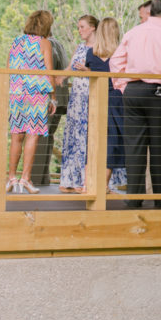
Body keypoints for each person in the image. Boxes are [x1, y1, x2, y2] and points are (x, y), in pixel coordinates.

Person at [110, 0, 161, 208]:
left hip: (133, 92)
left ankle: (134, 199)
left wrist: (123, 85)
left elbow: (115, 61)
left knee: (134, 147)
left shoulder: (133, 32)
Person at [6, 10, 56, 195]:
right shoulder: (44, 43)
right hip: (36, 94)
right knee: (32, 135)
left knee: (16, 135)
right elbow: (50, 72)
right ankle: (25, 178)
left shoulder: (16, 42)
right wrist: (53, 98)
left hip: (16, 93)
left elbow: (8, 68)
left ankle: (11, 177)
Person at [59, 14, 99, 192]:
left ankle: (86, 179)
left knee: (87, 135)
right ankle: (71, 178)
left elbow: (105, 70)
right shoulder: (80, 47)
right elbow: (70, 67)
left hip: (90, 94)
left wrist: (88, 70)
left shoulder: (99, 48)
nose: (80, 30)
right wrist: (60, 77)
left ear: (93, 28)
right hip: (77, 95)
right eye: (78, 27)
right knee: (74, 134)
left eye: (82, 27)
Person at [85, 17, 125, 192]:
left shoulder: (90, 54)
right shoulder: (120, 54)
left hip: (95, 100)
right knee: (113, 141)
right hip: (115, 100)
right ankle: (102, 184)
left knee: (94, 139)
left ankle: (90, 183)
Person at [31, 32, 68, 187]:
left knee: (39, 137)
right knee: (48, 136)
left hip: (50, 97)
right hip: (61, 96)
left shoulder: (48, 45)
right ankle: (42, 178)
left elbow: (48, 71)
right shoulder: (58, 43)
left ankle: (34, 179)